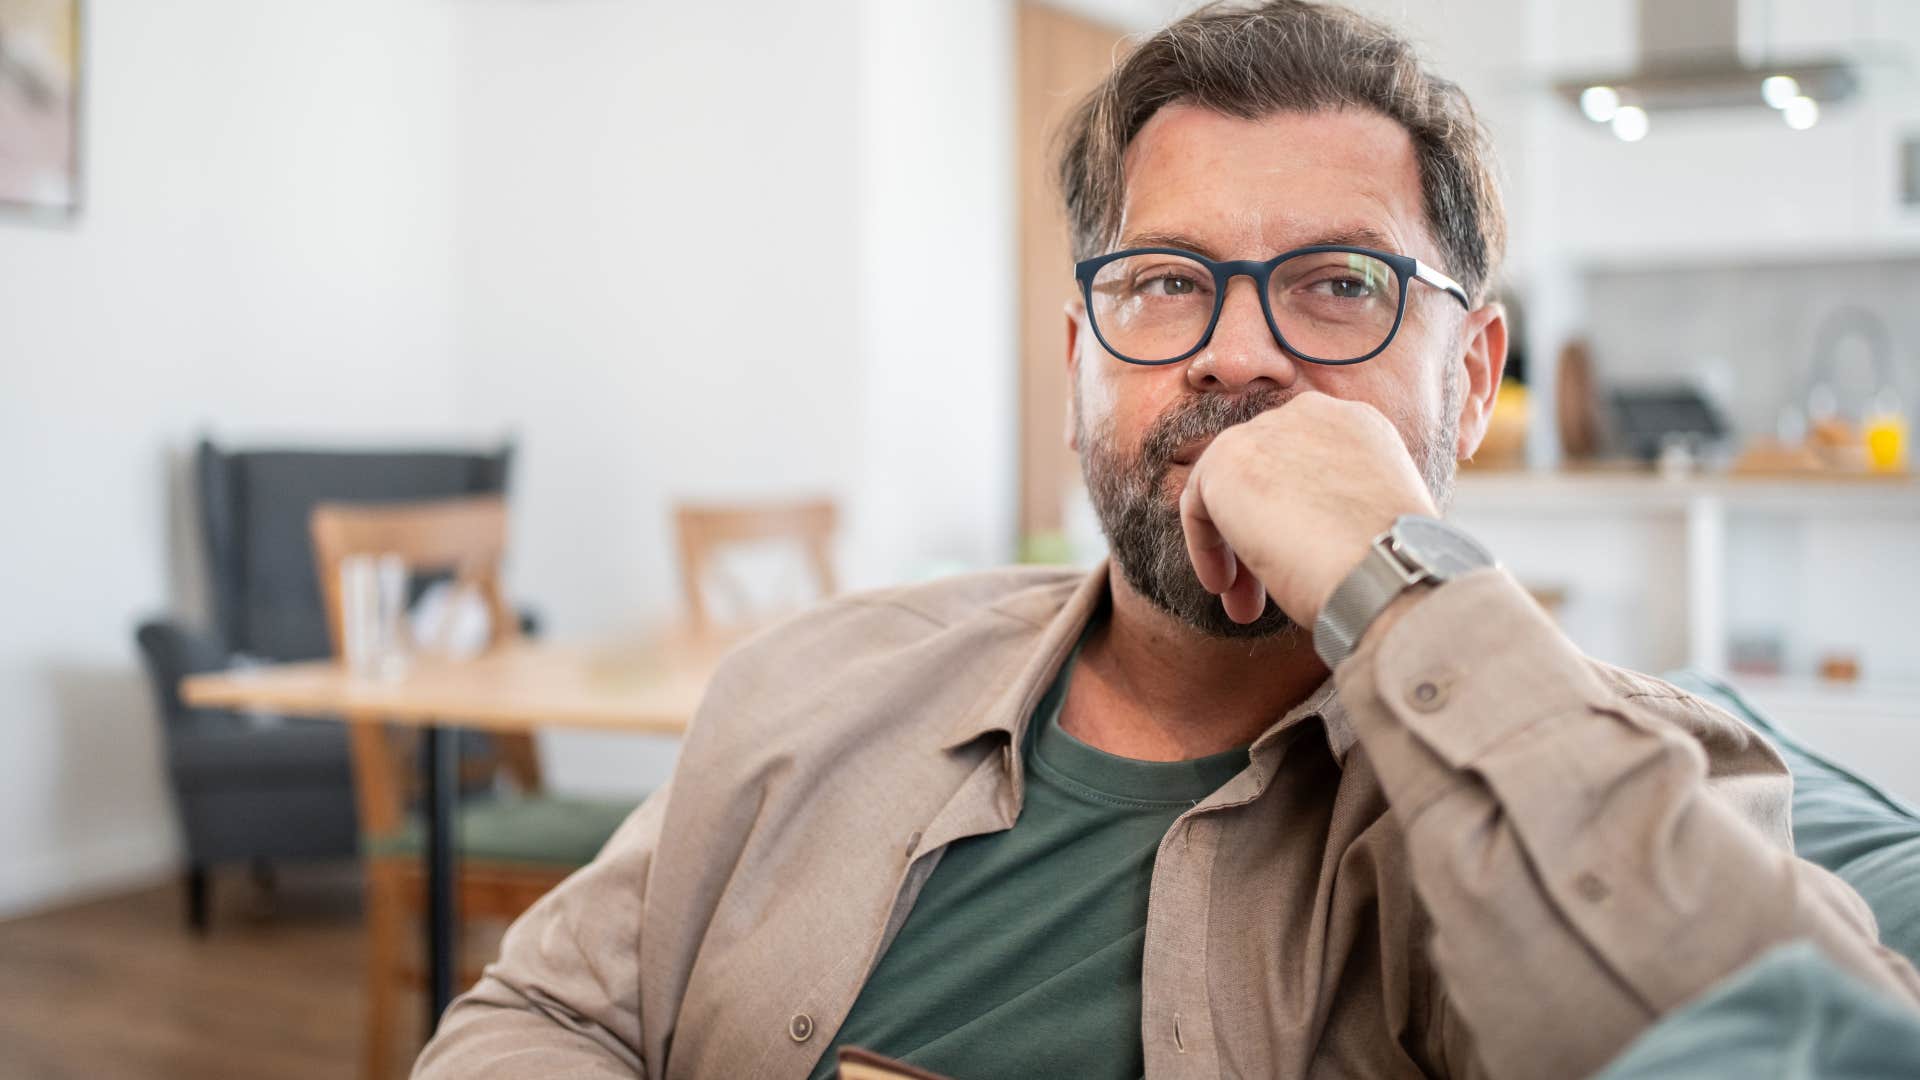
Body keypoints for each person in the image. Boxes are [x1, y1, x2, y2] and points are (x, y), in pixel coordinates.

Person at [414, 2, 1920, 1077]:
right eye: (1164, 283)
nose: (1237, 354)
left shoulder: (1660, 781)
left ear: (1472, 380)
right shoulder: (808, 684)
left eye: (1339, 285)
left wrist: (1390, 568)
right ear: (1083, 358)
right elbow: (540, 1018)